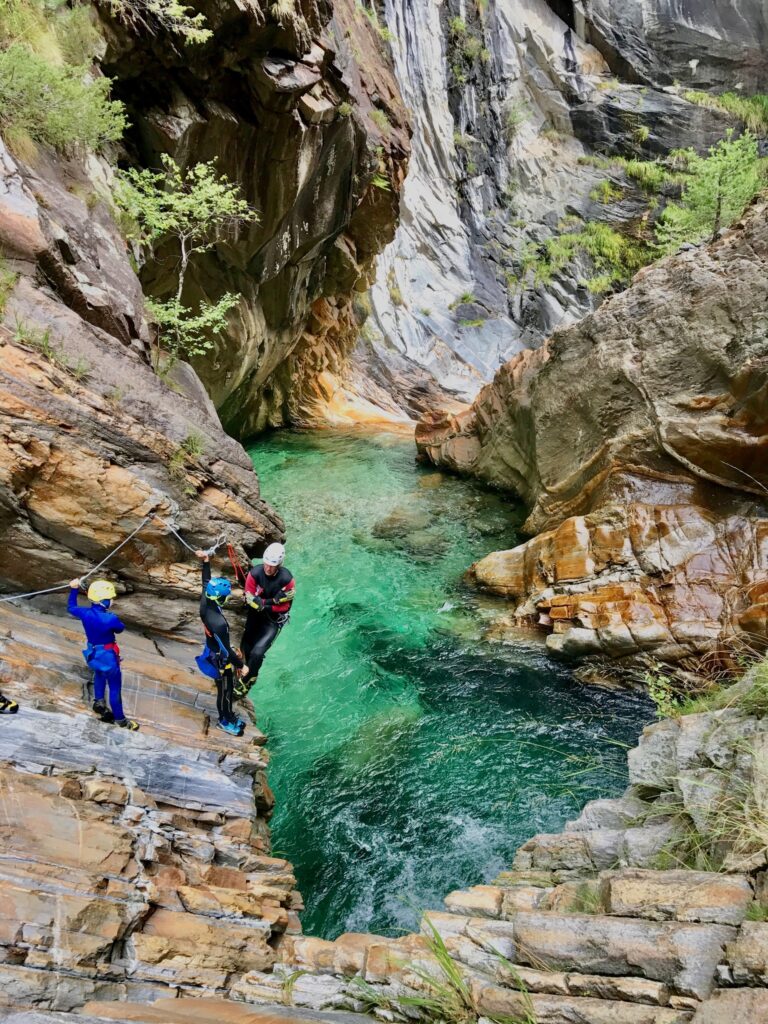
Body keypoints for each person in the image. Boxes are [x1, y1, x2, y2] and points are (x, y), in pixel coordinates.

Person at [67, 579, 139, 730]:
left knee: (99, 674)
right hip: (107, 655)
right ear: (103, 601)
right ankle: (121, 720)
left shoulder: (85, 613)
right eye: (110, 599)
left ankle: (98, 702)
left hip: (93, 652)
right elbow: (120, 629)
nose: (112, 600)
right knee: (114, 687)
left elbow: (71, 607)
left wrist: (74, 589)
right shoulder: (110, 618)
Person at [196, 550, 249, 737]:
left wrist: (206, 562)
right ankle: (225, 721)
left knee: (225, 691)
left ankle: (229, 716)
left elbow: (205, 583)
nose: (228, 598)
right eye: (226, 595)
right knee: (225, 691)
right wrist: (242, 666)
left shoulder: (206, 603)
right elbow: (226, 651)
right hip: (219, 659)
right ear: (221, 598)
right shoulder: (218, 623)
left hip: (212, 650)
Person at [237, 542, 294, 699]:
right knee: (247, 646)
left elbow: (285, 607)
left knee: (258, 652)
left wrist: (264, 604)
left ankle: (249, 679)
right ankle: (247, 669)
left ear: (279, 564)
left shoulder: (286, 579)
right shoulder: (255, 574)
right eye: (266, 564)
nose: (268, 569)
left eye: (272, 566)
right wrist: (273, 601)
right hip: (255, 615)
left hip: (273, 622)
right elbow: (250, 598)